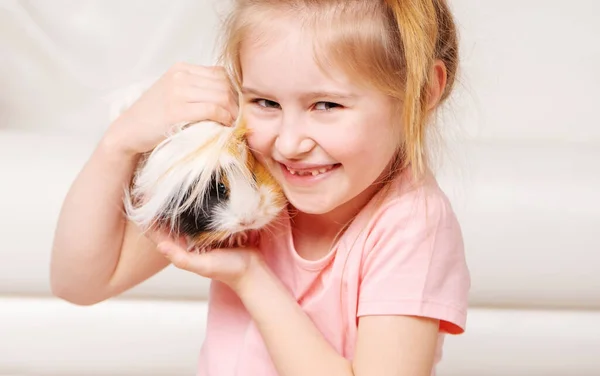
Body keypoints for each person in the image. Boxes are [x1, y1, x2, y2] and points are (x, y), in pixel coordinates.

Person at [50, 0, 471, 375]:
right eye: (266, 103)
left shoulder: (411, 224)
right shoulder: (248, 175)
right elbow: (80, 283)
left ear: (421, 91)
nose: (288, 144)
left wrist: (251, 277)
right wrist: (119, 143)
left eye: (326, 105)